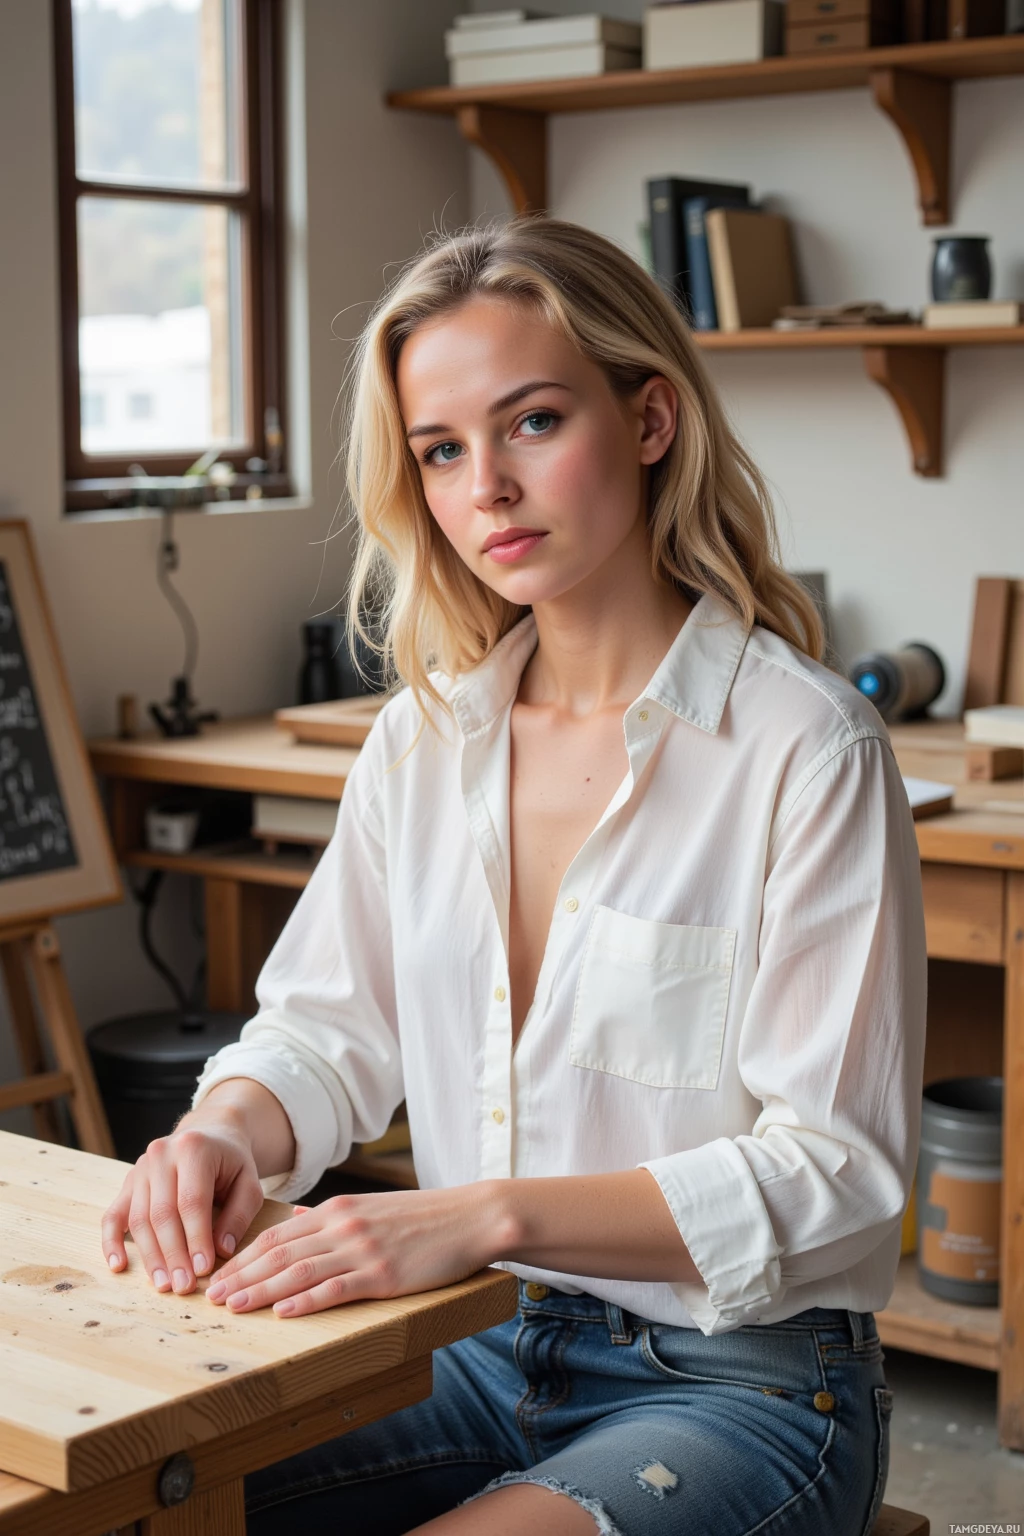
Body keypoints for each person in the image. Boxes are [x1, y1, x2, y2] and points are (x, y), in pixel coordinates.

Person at [100, 215, 927, 1536]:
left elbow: (836, 1171)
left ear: (650, 420)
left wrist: (475, 1216)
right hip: (468, 1343)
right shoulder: (424, 741)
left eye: (532, 422)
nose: (485, 485)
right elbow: (325, 1027)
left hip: (743, 1387)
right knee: (117, 1507)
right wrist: (223, 1131)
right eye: (441, 449)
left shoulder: (808, 748)